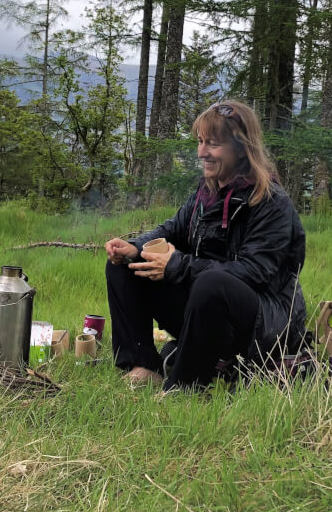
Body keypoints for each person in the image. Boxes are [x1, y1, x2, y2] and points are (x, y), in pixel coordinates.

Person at [104, 100, 307, 391]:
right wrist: (135, 248)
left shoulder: (271, 203)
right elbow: (173, 229)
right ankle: (143, 365)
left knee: (212, 283)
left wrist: (178, 266)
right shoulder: (207, 192)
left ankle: (184, 385)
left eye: (212, 144)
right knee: (125, 267)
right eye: (200, 142)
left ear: (240, 147)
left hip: (264, 324)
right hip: (207, 312)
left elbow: (255, 272)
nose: (202, 152)